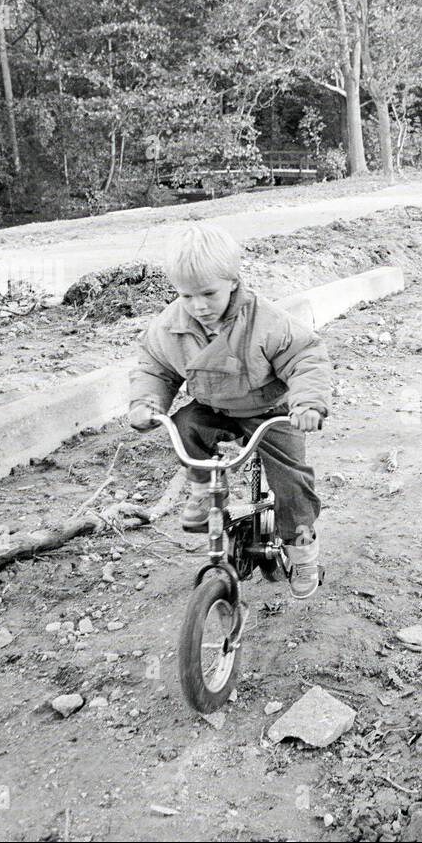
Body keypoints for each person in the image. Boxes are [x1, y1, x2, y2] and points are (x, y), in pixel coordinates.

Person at [127, 222, 330, 599]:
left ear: (234, 282)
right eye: (187, 296)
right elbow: (153, 366)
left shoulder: (265, 322)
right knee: (185, 425)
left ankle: (302, 546)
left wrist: (307, 403)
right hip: (215, 406)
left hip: (269, 410)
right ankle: (203, 491)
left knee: (292, 478)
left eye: (208, 293)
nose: (198, 306)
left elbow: (306, 357)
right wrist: (147, 402)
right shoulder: (172, 325)